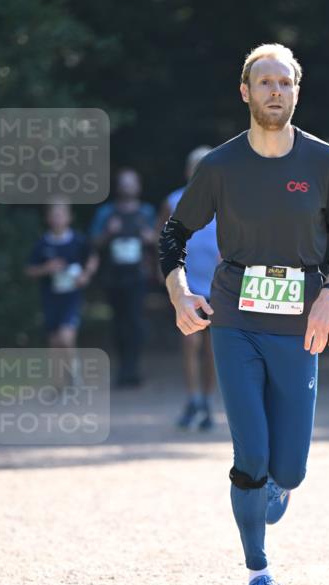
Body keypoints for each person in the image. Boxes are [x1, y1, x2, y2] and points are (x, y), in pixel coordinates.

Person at [159, 43, 329, 585]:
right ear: (245, 92)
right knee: (251, 457)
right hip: (235, 317)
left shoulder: (326, 162)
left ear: (298, 91)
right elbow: (174, 236)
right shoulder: (220, 166)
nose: (276, 92)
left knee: (288, 467)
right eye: (264, 82)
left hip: (301, 319)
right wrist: (179, 293)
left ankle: (277, 484)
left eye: (285, 83)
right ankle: (258, 574)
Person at [157, 146, 219, 430]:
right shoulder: (173, 201)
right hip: (188, 285)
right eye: (195, 167)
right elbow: (163, 239)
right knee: (190, 340)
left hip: (219, 286)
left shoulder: (226, 201)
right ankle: (193, 397)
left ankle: (207, 400)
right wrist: (166, 276)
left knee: (212, 348)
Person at [89, 168, 157, 387]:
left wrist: (150, 238)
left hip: (138, 276)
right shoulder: (106, 213)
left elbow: (162, 240)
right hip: (113, 277)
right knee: (118, 322)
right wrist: (108, 233)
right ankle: (122, 368)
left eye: (132, 182)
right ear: (117, 186)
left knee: (135, 321)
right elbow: (93, 243)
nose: (127, 187)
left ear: (138, 186)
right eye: (123, 183)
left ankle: (133, 368)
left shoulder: (146, 212)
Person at [25, 200, 99, 385]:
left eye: (61, 214)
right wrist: (46, 268)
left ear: (69, 217)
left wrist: (85, 275)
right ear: (48, 218)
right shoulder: (42, 244)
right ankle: (58, 381)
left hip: (71, 297)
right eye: (54, 215)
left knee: (66, 336)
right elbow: (29, 270)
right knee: (54, 341)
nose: (58, 219)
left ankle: (75, 375)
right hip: (50, 298)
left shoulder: (78, 240)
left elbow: (92, 258)